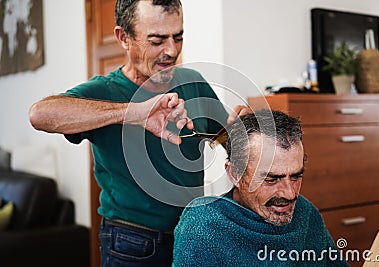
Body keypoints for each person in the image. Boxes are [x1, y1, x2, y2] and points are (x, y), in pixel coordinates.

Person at [29, 0, 249, 266]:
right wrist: (133, 113)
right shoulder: (104, 91)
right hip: (132, 243)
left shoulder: (194, 80)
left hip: (193, 235)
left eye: (177, 37)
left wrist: (242, 132)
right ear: (124, 37)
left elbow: (223, 140)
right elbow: (40, 114)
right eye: (157, 41)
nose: (171, 51)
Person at [173, 110, 350, 266]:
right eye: (272, 179)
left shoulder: (305, 212)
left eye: (296, 176)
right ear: (235, 174)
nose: (289, 193)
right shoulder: (204, 226)